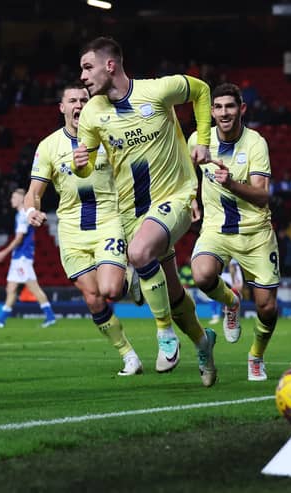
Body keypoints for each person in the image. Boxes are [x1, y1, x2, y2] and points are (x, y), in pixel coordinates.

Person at [72, 36, 217, 386]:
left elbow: (201, 90)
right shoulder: (92, 112)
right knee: (173, 293)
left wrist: (203, 142)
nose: (83, 76)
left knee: (139, 253)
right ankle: (202, 342)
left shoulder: (157, 91)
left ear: (111, 65)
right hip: (132, 212)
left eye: (88, 67)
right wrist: (81, 164)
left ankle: (164, 334)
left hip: (177, 194)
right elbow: (86, 167)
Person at [24, 81, 143, 375]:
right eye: (73, 100)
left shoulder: (108, 136)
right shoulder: (49, 146)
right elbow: (34, 191)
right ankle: (128, 355)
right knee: (93, 297)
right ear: (62, 108)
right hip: (71, 231)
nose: (79, 105)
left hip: (108, 221)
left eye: (84, 99)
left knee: (110, 289)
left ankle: (130, 281)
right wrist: (31, 210)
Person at [188, 82, 280, 381]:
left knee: (267, 307)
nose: (224, 112)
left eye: (230, 106)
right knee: (201, 274)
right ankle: (232, 302)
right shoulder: (198, 141)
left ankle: (256, 355)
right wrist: (191, 199)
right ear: (211, 112)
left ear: (241, 109)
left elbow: (263, 195)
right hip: (216, 228)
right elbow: (186, 174)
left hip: (255, 233)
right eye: (218, 107)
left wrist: (231, 184)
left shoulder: (256, 143)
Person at [0, 188, 56, 329]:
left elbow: (19, 239)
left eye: (14, 198)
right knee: (11, 288)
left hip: (23, 257)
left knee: (33, 288)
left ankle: (50, 316)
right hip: (18, 257)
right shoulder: (20, 215)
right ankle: (1, 320)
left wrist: (3, 253)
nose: (12, 200)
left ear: (21, 200)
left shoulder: (23, 215)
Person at [208, 259, 243, 325]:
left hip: (233, 271)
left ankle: (234, 315)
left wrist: (233, 281)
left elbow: (232, 266)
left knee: (237, 293)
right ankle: (215, 316)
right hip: (222, 272)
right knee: (211, 292)